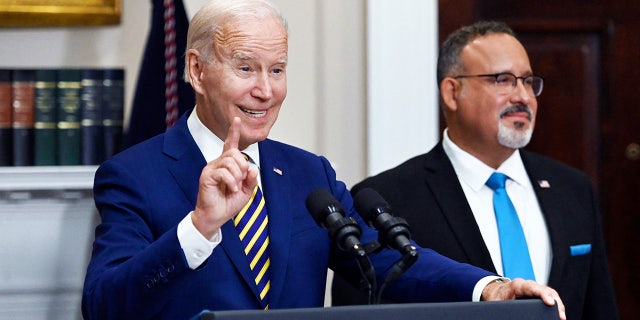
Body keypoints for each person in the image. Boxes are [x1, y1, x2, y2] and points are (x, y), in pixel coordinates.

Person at [81, 3, 566, 319]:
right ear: (196, 70)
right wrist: (199, 228)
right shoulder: (132, 175)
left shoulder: (307, 174)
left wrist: (490, 288)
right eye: (245, 68)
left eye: (277, 70)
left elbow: (389, 260)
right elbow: (102, 305)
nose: (265, 91)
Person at [332, 20, 618, 320]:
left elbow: (599, 307)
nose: (522, 96)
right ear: (452, 92)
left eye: (528, 80)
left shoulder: (572, 189)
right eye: (503, 80)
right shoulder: (387, 198)